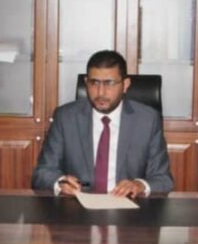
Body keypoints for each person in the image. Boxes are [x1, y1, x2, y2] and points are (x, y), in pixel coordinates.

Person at [31, 50, 173, 198]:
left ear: (125, 85)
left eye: (109, 83)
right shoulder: (65, 118)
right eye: (94, 83)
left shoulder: (147, 120)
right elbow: (42, 173)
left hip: (128, 206)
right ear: (86, 82)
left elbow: (163, 179)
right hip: (78, 206)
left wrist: (139, 185)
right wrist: (60, 182)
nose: (101, 93)